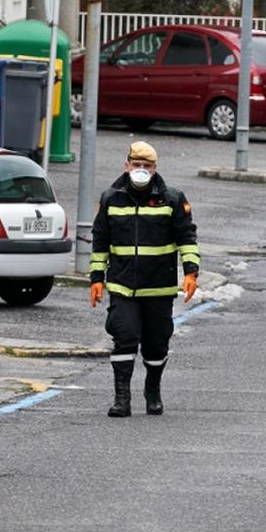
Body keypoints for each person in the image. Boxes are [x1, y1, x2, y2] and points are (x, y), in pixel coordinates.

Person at [90, 141, 200, 417]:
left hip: (159, 287)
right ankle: (122, 398)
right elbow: (100, 241)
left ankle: (153, 389)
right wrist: (96, 279)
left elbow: (186, 237)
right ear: (126, 166)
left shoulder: (171, 199)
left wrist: (190, 272)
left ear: (155, 169)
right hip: (122, 286)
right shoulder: (110, 199)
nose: (141, 170)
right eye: (136, 165)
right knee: (123, 337)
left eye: (147, 166)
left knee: (156, 343)